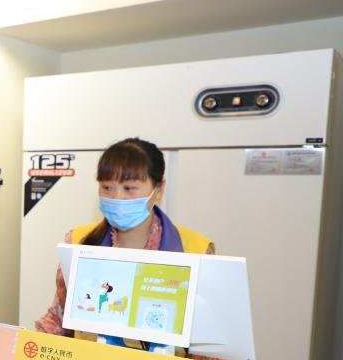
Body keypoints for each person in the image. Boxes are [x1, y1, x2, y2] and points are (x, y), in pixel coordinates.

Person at [35, 137, 214, 337]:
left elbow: (209, 337)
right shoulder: (77, 242)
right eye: (107, 187)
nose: (117, 198)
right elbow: (57, 320)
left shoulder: (195, 250)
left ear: (159, 189)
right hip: (91, 357)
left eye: (129, 188)